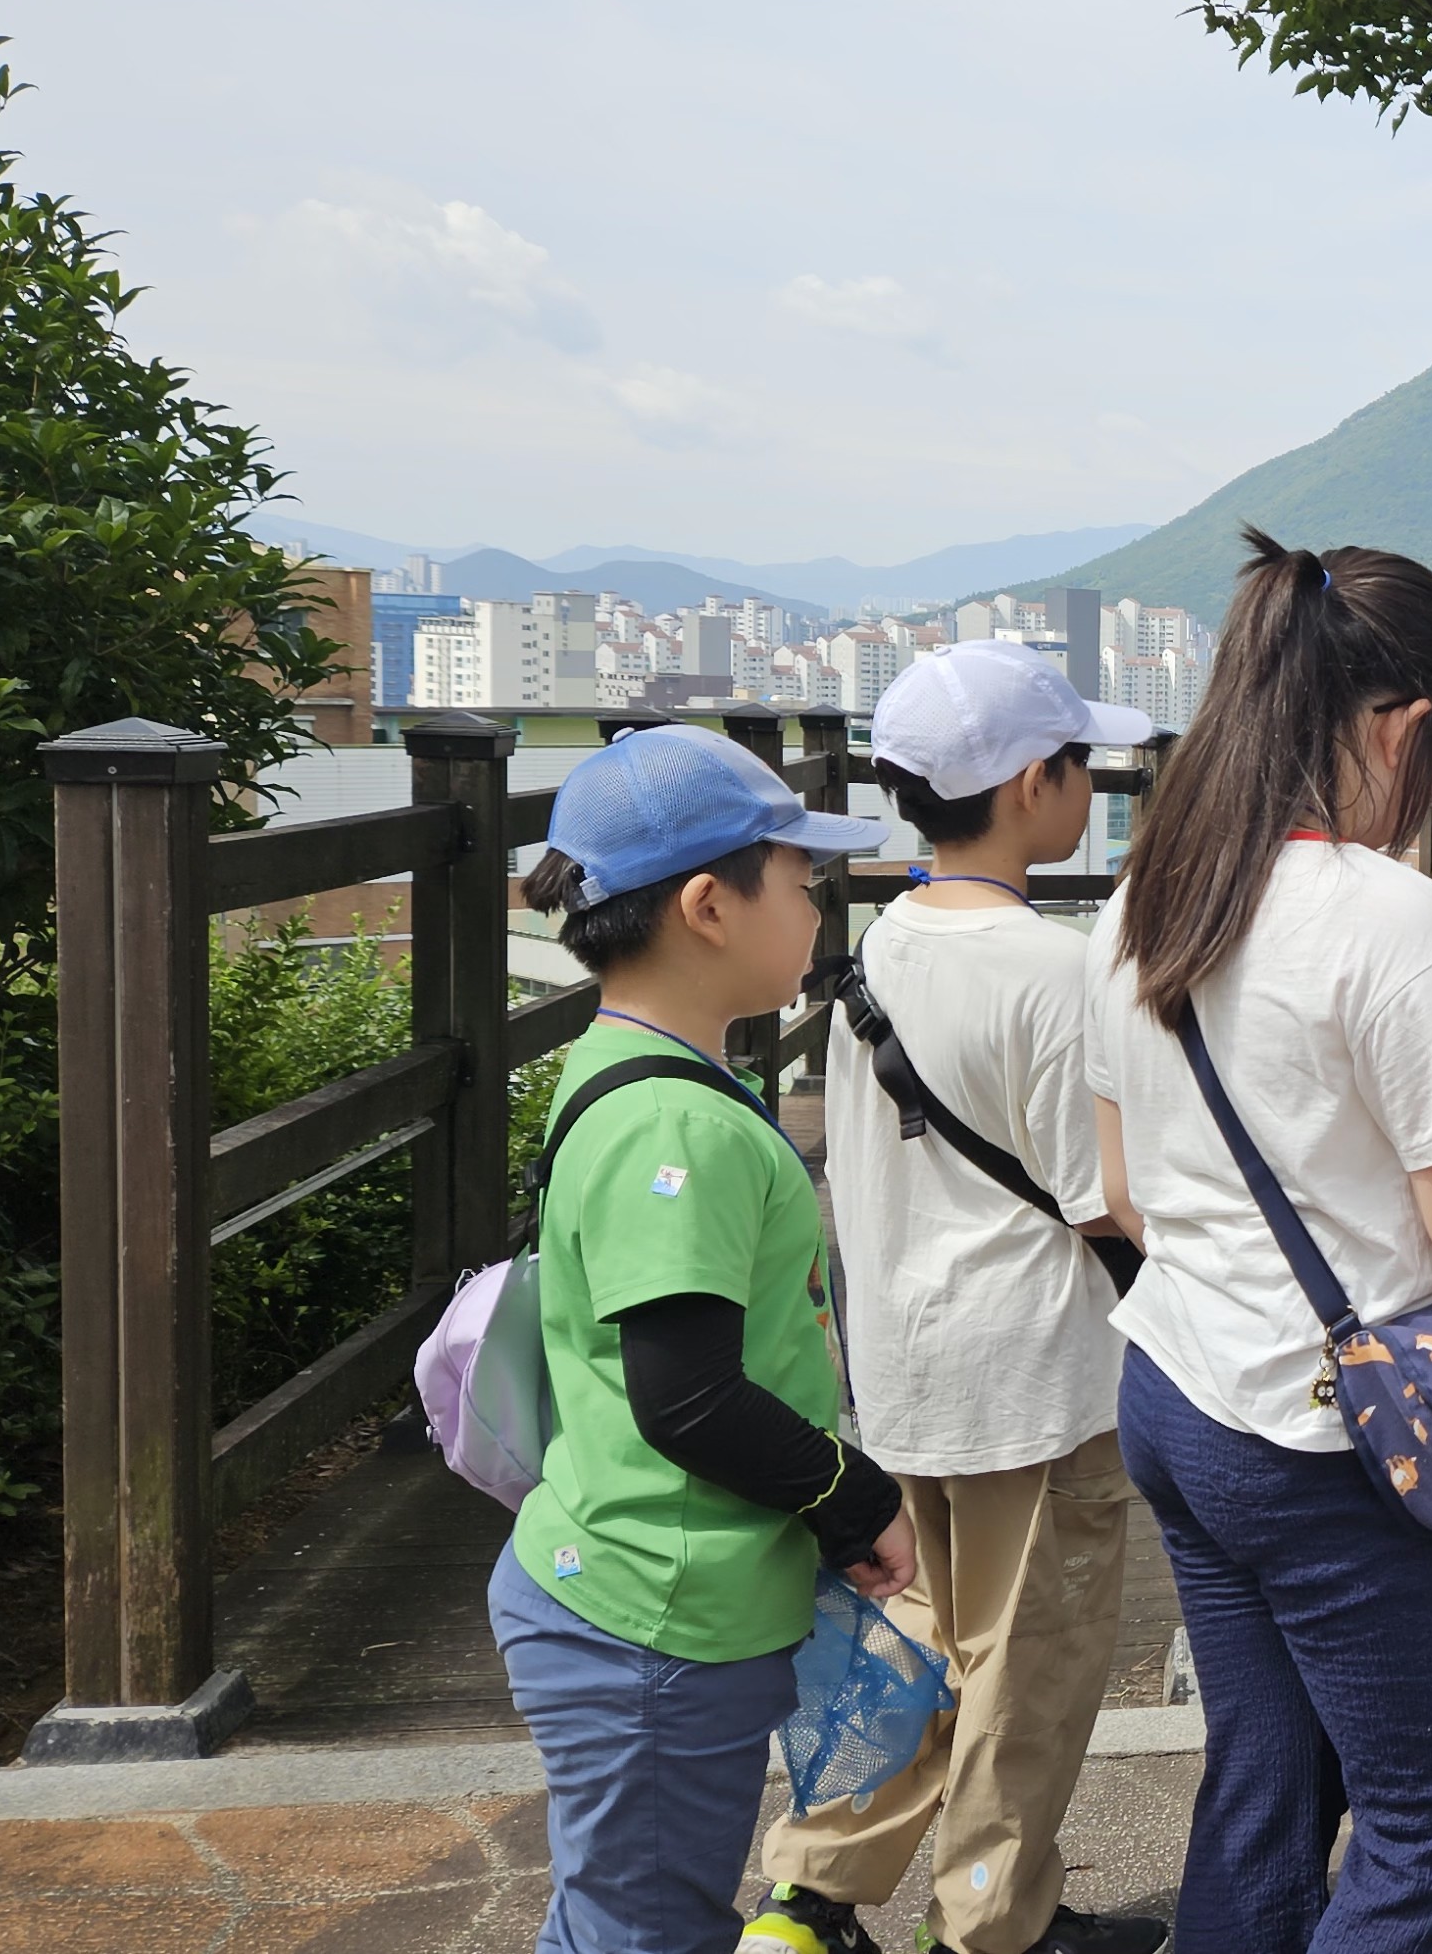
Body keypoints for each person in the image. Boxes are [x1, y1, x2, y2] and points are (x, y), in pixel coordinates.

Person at [1085, 530, 1432, 1954]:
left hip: (1174, 1393)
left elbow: (1124, 1192)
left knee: (1270, 1780)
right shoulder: (1393, 924)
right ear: (1406, 725)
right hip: (1325, 1444)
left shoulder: (1148, 895)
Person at [741, 641, 1168, 1954]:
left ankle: (809, 1896)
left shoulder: (875, 954)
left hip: (905, 1369)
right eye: (1080, 763)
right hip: (1034, 1379)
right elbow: (1101, 1198)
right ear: (1036, 784)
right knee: (1025, 1666)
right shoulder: (1056, 971)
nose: (1091, 783)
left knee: (917, 1642)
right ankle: (995, 1928)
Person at [493, 724, 906, 1954]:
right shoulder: (683, 1123)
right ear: (708, 904)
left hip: (621, 1584)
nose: (817, 907)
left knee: (617, 1907)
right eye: (801, 880)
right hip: (656, 1617)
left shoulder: (623, 1065)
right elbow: (688, 1396)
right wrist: (853, 1493)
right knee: (648, 1925)